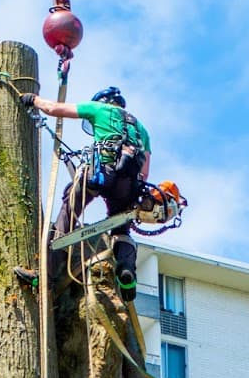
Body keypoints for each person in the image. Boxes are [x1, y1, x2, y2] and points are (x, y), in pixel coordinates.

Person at [16, 86, 151, 300]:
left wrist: (33, 100)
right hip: (128, 184)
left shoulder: (99, 109)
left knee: (69, 211)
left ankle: (44, 276)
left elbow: (53, 108)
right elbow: (144, 171)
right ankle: (127, 272)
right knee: (121, 230)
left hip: (101, 174)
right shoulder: (141, 129)